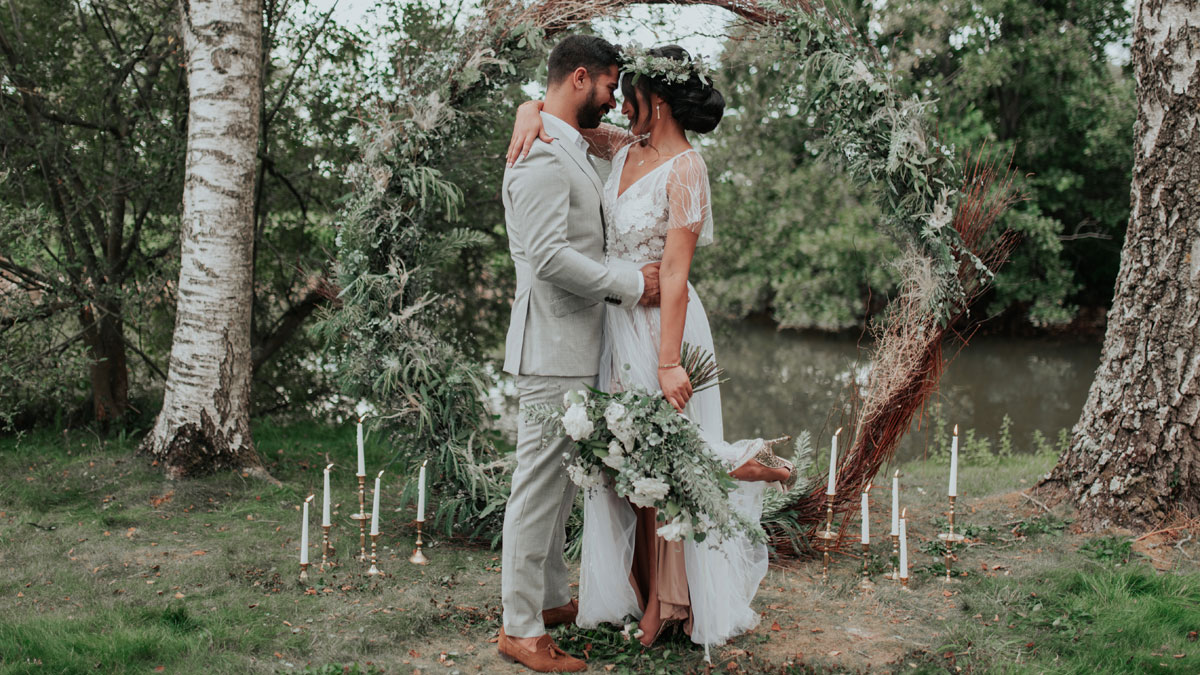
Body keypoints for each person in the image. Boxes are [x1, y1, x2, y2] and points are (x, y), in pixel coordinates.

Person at [506, 44, 796, 655]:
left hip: (662, 321)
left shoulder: (686, 168)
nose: (616, 100)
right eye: (612, 87)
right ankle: (640, 582)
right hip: (612, 321)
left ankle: (673, 594)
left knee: (663, 445)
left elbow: (676, 270)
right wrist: (528, 107)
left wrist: (668, 361)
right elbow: (565, 115)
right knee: (621, 455)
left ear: (654, 100)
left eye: (625, 90)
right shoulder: (621, 147)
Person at [497, 34, 664, 673]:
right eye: (610, 84)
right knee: (537, 487)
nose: (615, 97)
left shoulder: (563, 140)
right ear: (580, 78)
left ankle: (547, 599)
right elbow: (545, 257)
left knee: (560, 483)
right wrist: (629, 284)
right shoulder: (540, 155)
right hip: (552, 343)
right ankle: (519, 629)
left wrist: (529, 108)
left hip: (576, 343)